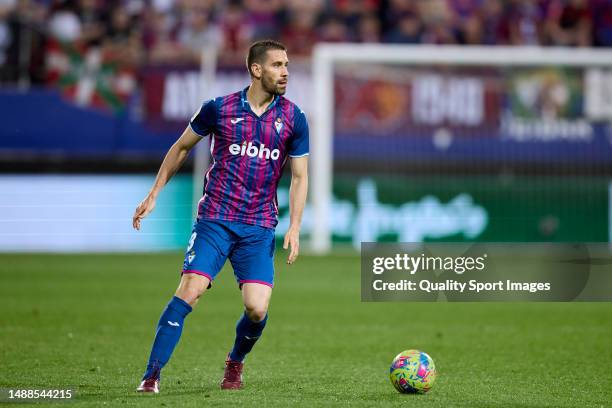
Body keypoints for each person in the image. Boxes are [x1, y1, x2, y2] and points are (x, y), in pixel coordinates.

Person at [132, 39, 309, 393]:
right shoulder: (218, 108)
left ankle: (235, 363)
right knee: (190, 290)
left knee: (257, 309)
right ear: (256, 69)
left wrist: (296, 226)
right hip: (215, 219)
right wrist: (154, 193)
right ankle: (151, 375)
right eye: (277, 65)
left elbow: (301, 176)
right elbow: (181, 147)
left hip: (258, 226)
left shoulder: (294, 118)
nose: (285, 71)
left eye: (287, 64)